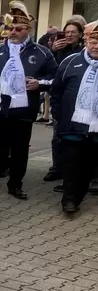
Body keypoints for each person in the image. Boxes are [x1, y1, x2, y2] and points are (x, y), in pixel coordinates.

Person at [0, 1, 57, 200]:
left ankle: (15, 184)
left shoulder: (42, 53)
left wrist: (39, 83)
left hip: (24, 111)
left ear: (28, 29)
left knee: (19, 150)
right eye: (10, 28)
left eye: (18, 29)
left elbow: (56, 79)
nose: (13, 32)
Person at [51, 25, 98, 214]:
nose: (96, 47)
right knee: (71, 164)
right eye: (93, 43)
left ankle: (78, 197)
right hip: (72, 126)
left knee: (88, 166)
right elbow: (56, 91)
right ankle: (68, 200)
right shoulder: (71, 62)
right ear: (86, 42)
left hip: (95, 128)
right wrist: (59, 115)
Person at [42, 16, 85, 182]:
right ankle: (57, 167)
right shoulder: (59, 49)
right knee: (57, 137)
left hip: (79, 101)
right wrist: (53, 50)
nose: (69, 35)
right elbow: (52, 72)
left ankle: (77, 173)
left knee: (76, 140)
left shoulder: (84, 51)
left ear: (81, 34)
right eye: (66, 32)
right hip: (61, 99)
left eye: (73, 32)